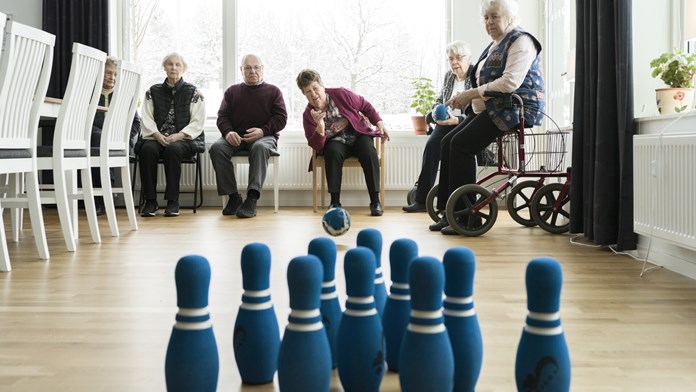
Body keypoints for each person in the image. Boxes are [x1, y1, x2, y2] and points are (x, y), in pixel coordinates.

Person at [430, 0, 545, 234]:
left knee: (461, 145)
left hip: (514, 108)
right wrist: (463, 99)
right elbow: (484, 82)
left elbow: (510, 82)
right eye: (486, 18)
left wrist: (470, 94)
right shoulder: (495, 45)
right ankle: (449, 212)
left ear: (509, 18)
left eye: (495, 16)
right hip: (493, 107)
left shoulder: (522, 41)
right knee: (446, 142)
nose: (489, 22)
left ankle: (467, 218)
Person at [296, 69, 390, 216]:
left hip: (358, 134)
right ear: (304, 94)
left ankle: (375, 201)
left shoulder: (341, 94)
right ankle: (335, 202)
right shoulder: (308, 115)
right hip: (336, 142)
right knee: (331, 152)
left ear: (322, 85)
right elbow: (316, 145)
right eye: (308, 92)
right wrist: (320, 128)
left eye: (315, 88)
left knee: (369, 151)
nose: (313, 95)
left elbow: (365, 105)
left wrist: (379, 122)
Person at [209, 54, 287, 218]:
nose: (253, 71)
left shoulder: (273, 91)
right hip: (236, 137)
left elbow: (281, 118)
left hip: (264, 137)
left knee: (259, 147)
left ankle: (252, 198)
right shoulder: (232, 92)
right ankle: (233, 197)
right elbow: (222, 117)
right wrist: (228, 132)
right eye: (248, 68)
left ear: (262, 69)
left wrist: (263, 131)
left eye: (256, 67)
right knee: (216, 148)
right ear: (241, 70)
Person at [402, 41, 473, 213]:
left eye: (458, 58)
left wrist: (457, 120)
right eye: (450, 59)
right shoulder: (449, 76)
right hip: (446, 122)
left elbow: (478, 110)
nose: (454, 62)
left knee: (450, 148)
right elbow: (441, 98)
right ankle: (421, 199)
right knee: (432, 145)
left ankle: (451, 201)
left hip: (466, 122)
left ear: (468, 59)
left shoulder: (475, 76)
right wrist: (434, 111)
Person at [138, 52, 205, 217]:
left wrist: (178, 135)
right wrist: (156, 134)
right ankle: (151, 201)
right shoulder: (152, 92)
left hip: (184, 139)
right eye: (170, 64)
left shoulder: (194, 92)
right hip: (156, 136)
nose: (174, 68)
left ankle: (173, 201)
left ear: (184, 68)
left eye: (178, 65)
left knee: (173, 150)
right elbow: (146, 117)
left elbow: (198, 122)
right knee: (147, 150)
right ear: (164, 68)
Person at [90, 56, 142, 216]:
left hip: (119, 141)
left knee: (101, 142)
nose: (111, 77)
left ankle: (103, 197)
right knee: (97, 139)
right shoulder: (89, 94)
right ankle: (105, 195)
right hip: (94, 141)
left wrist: (120, 136)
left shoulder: (125, 96)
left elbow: (136, 123)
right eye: (108, 73)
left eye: (115, 74)